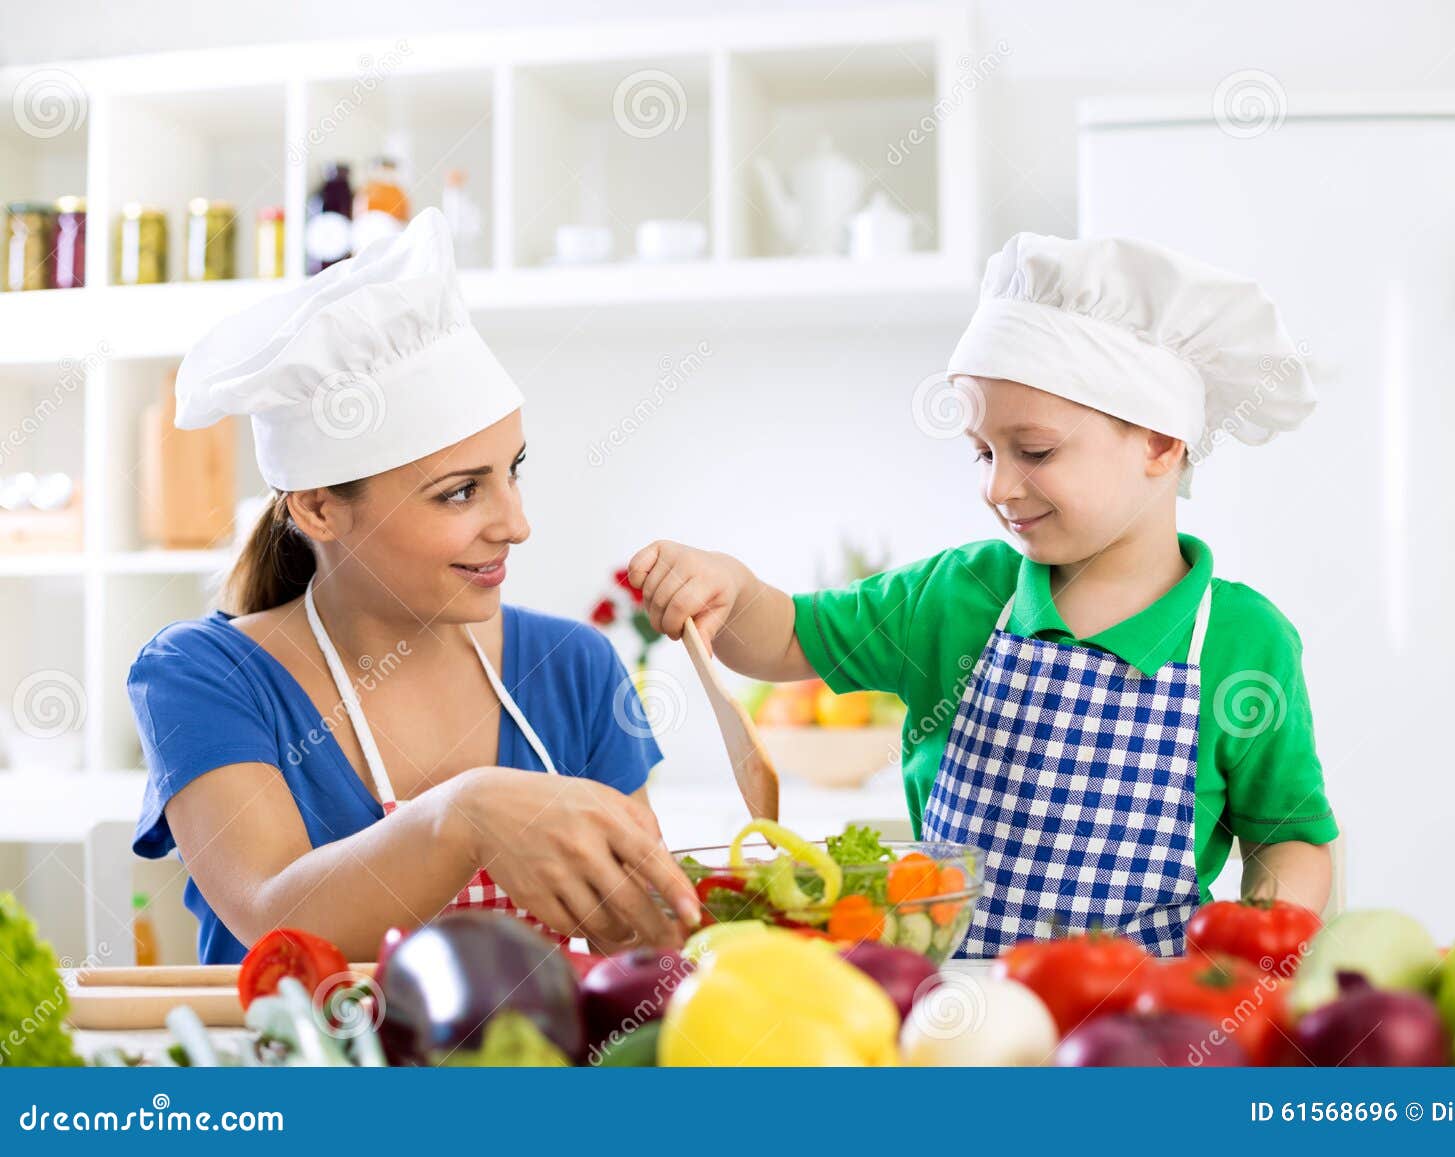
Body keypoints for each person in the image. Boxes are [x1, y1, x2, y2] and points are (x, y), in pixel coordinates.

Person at [628, 234, 1337, 958]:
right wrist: (733, 590)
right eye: (982, 451)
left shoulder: (1245, 640)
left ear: (1160, 443)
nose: (997, 486)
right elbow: (783, 638)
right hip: (949, 1017)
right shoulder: (958, 594)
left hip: (1136, 1032)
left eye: (1034, 451)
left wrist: (1260, 939)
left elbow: (1290, 838)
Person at [128, 208, 699, 965]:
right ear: (319, 507)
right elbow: (276, 920)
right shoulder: (205, 676)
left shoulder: (571, 666)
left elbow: (637, 942)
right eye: (460, 492)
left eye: (512, 472)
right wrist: (463, 815)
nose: (515, 524)